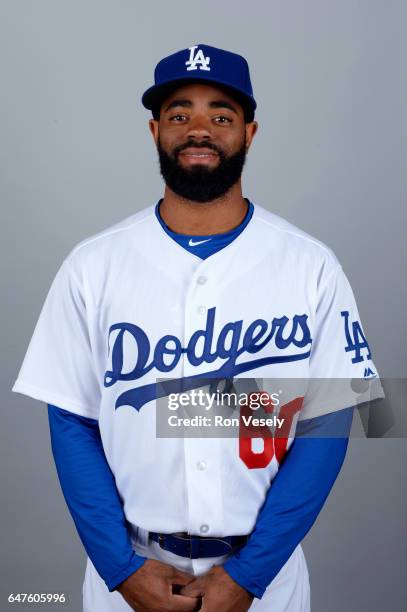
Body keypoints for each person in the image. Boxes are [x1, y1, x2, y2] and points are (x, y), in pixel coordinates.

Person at [12, 44, 384, 611]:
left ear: (250, 132)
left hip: (266, 580)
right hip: (130, 574)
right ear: (155, 129)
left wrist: (249, 575)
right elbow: (71, 419)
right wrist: (119, 566)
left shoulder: (310, 265)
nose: (199, 129)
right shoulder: (92, 265)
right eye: (180, 114)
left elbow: (330, 421)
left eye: (221, 115)